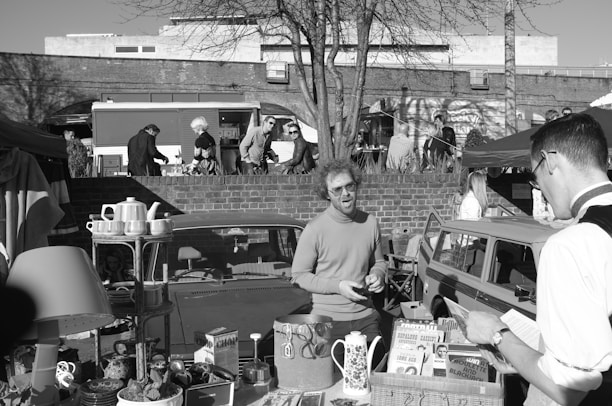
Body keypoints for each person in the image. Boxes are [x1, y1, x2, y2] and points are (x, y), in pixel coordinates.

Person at [465, 113, 612, 405]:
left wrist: (497, 335)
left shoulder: (569, 246)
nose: (539, 188)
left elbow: (567, 387)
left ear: (550, 160)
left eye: (535, 175)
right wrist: (526, 360)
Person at [291, 159, 387, 363]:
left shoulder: (370, 223)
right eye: (337, 189)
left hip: (366, 318)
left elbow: (379, 262)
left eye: (349, 186)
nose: (345, 194)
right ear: (326, 193)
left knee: (370, 378)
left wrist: (378, 275)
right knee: (333, 382)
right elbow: (298, 276)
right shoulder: (315, 229)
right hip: (327, 322)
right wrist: (338, 286)